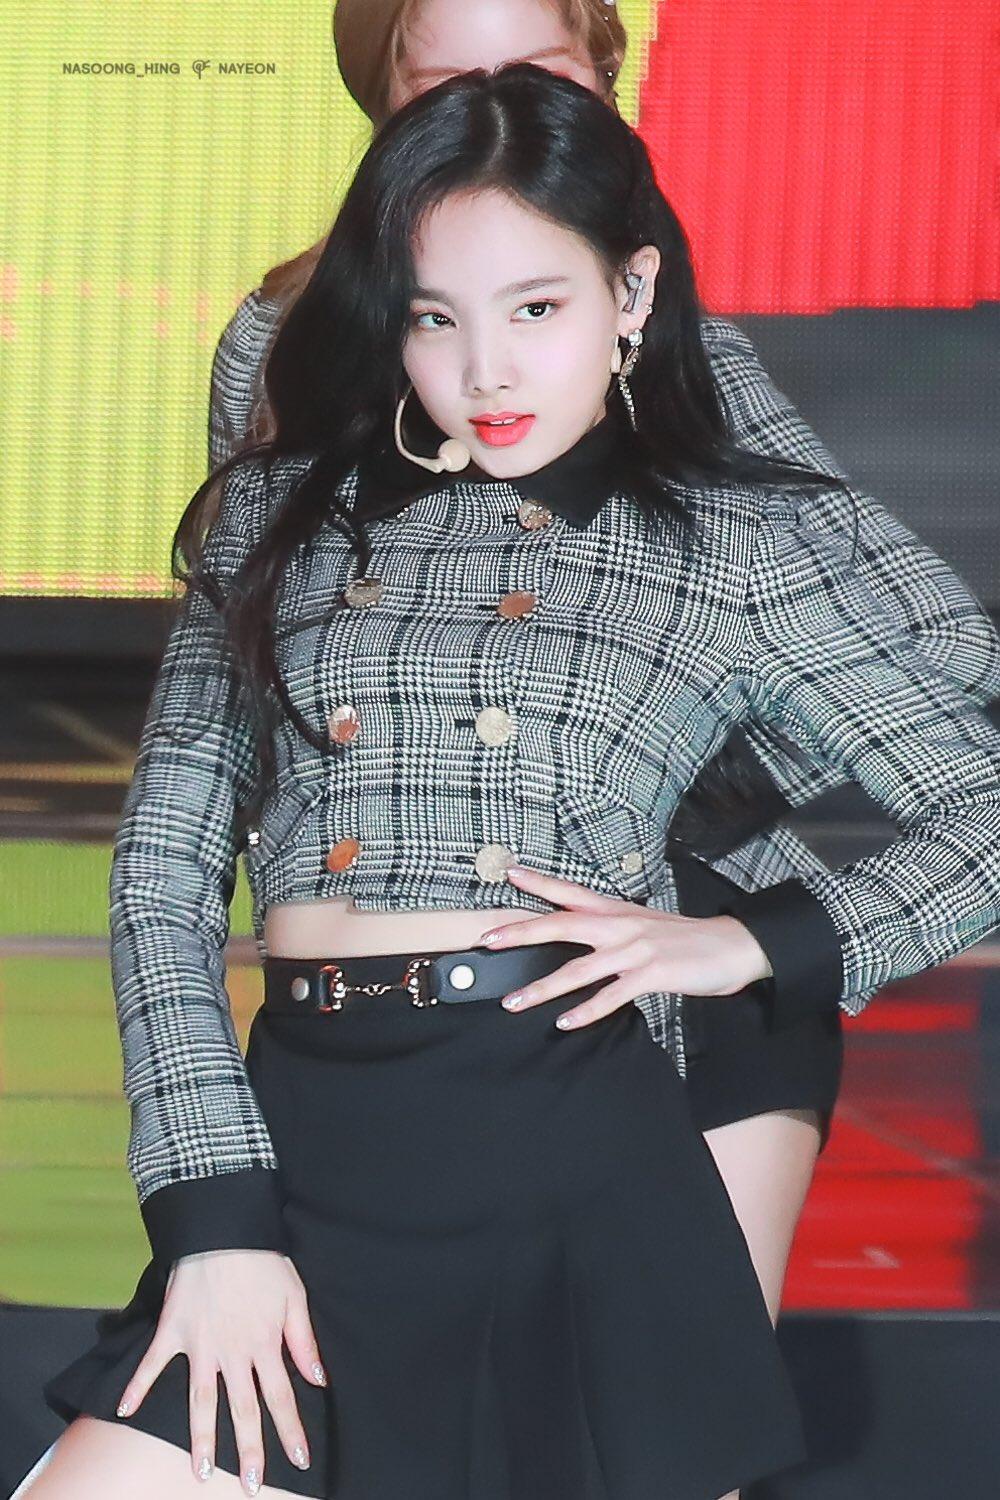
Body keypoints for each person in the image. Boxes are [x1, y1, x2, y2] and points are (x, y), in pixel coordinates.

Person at [28, 62, 1000, 1500]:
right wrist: (214, 1214)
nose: (484, 372)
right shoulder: (281, 509)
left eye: (536, 309)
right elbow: (163, 867)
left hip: (569, 1147)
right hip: (305, 1143)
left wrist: (754, 942)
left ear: (632, 293)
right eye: (435, 317)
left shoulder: (730, 539)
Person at [208, 0, 1000, 1329]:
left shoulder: (676, 349)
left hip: (671, 952)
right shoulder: (284, 340)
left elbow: (930, 640)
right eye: (442, 78)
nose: (489, 102)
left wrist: (654, 755)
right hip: (386, 1021)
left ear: (604, 77)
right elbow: (251, 672)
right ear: (382, 102)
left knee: (668, 1400)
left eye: (534, 68)